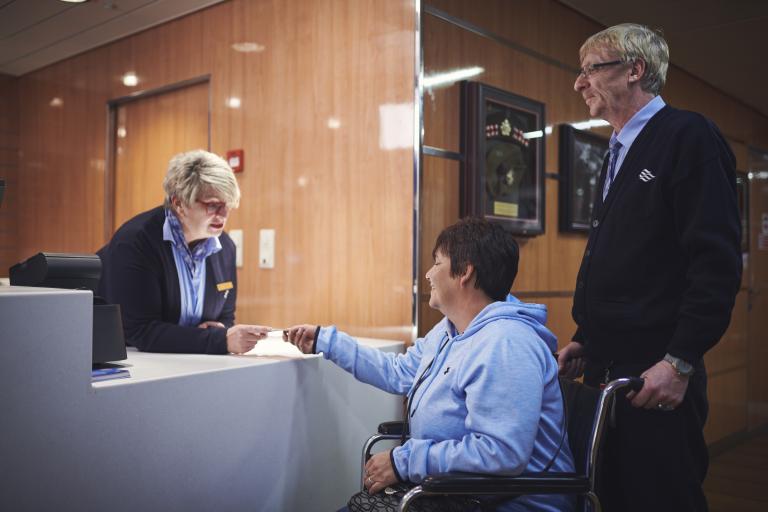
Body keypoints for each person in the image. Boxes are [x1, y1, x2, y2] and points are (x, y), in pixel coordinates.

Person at [557, 23, 742, 512]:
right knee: (607, 497)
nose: (579, 84)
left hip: (657, 376)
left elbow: (715, 263)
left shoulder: (689, 136)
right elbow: (633, 259)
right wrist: (588, 337)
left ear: (635, 70)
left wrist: (680, 361)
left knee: (660, 498)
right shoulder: (617, 149)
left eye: (590, 70)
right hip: (606, 369)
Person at [286, 217, 575, 512]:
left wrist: (403, 463)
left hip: (510, 503)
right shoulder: (450, 330)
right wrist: (326, 341)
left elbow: (501, 453)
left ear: (465, 272)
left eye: (437, 263)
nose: (427, 274)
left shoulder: (506, 343)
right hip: (454, 493)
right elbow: (399, 372)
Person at [98, 149, 269, 354]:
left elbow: (224, 318)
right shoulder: (136, 242)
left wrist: (215, 332)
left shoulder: (226, 248)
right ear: (179, 203)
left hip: (192, 366)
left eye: (228, 205)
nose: (223, 214)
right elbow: (140, 331)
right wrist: (217, 340)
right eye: (213, 205)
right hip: (135, 367)